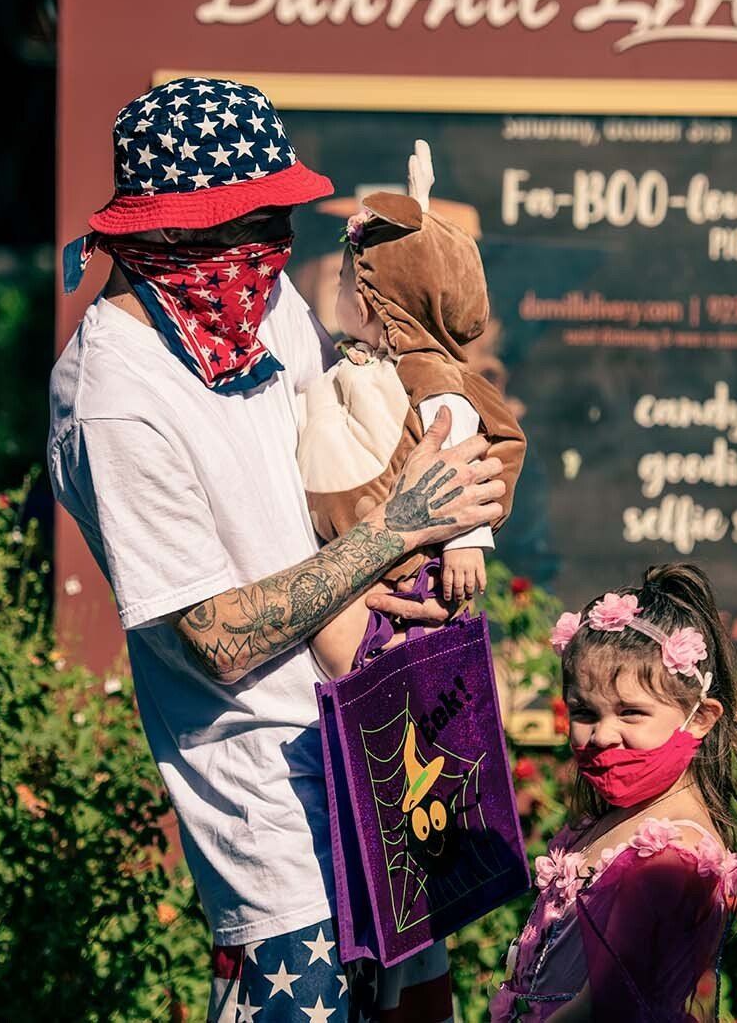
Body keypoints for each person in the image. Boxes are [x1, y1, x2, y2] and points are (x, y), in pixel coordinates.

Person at [49, 76, 505, 1023]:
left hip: (380, 759)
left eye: (275, 223)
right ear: (164, 235)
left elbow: (310, 498)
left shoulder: (250, 310)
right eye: (246, 226)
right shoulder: (115, 398)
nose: (271, 253)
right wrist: (398, 525)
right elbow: (214, 634)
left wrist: (404, 550)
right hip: (273, 811)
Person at [490, 564, 737, 1023]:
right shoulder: (610, 818)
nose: (602, 735)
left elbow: (607, 1005)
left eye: (630, 713)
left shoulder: (671, 857)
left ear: (699, 717)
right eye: (584, 711)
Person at [298, 140, 526, 676]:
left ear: (371, 299)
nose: (335, 290)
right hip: (363, 551)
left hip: (411, 563)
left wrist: (465, 543)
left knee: (346, 637)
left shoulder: (430, 375)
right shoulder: (367, 363)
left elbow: (463, 454)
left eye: (342, 280)